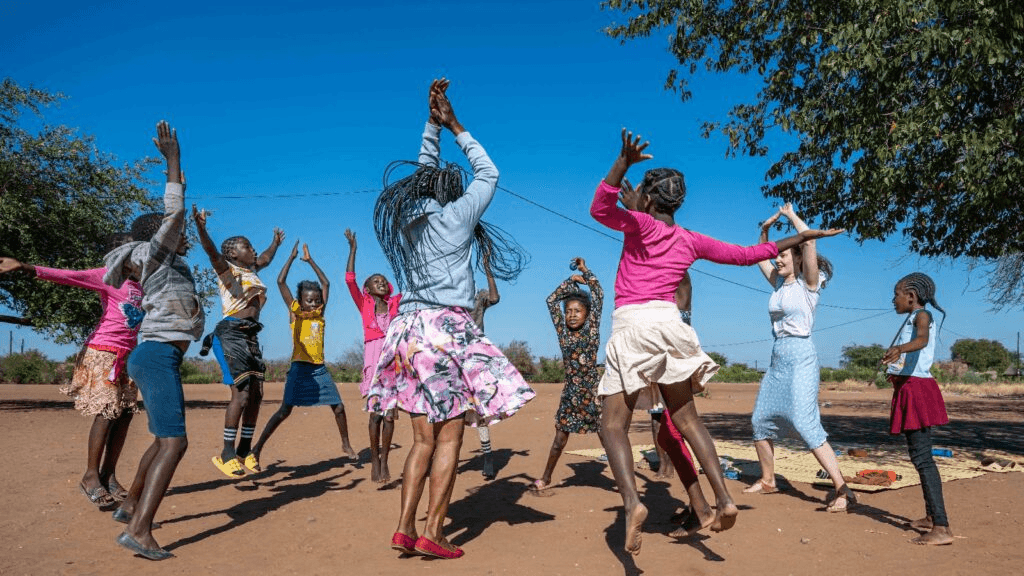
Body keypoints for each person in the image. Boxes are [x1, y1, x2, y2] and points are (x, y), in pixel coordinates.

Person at [590, 128, 843, 555]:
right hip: (671, 326)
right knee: (687, 419)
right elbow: (747, 255)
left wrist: (622, 163)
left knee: (612, 424)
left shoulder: (636, 225)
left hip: (632, 324)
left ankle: (633, 502)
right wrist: (802, 237)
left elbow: (600, 207)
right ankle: (724, 498)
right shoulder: (691, 240)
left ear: (647, 201)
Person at [367, 79, 534, 559]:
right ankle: (434, 532)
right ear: (451, 190)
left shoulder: (409, 217)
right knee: (451, 435)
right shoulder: (459, 216)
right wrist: (454, 123)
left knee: (421, 436)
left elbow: (423, 171)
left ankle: (404, 525)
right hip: (445, 330)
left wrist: (429, 125)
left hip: (407, 331)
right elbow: (490, 172)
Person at [103, 120, 205, 560]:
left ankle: (130, 507)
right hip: (156, 355)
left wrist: (183, 180)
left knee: (163, 437)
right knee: (175, 442)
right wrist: (173, 163)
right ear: (159, 237)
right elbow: (173, 215)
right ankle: (140, 531)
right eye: (176, 232)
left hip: (159, 356)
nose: (184, 236)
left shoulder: (173, 265)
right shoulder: (156, 257)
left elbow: (180, 220)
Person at [0, 225, 153, 509]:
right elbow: (69, 276)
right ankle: (90, 476)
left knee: (125, 415)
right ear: (119, 257)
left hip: (128, 356)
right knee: (107, 412)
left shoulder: (143, 285)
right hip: (103, 352)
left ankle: (109, 474)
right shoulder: (106, 277)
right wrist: (24, 267)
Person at [744, 203, 854, 513]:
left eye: (783, 255)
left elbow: (808, 241)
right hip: (778, 356)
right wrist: (764, 230)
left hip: (802, 355)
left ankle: (841, 489)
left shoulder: (809, 285)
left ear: (797, 260)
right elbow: (758, 253)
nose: (777, 257)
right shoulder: (778, 284)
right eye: (777, 254)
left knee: (806, 424)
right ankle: (768, 480)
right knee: (760, 421)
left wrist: (791, 216)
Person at [192, 205, 284, 477]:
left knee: (256, 394)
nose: (252, 250)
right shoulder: (226, 269)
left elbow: (265, 259)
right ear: (232, 253)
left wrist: (274, 244)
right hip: (231, 333)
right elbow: (211, 252)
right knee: (241, 394)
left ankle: (245, 449)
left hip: (250, 333)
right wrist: (201, 228)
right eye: (247, 246)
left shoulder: (252, 270)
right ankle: (226, 452)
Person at [250, 242, 356, 464]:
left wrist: (310, 261)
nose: (315, 303)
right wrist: (290, 257)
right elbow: (280, 282)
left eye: (318, 300)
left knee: (338, 407)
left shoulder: (319, 316)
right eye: (310, 300)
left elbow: (326, 283)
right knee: (284, 411)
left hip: (320, 369)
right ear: (300, 302)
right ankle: (257, 448)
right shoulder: (295, 314)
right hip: (299, 369)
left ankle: (345, 443)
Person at [881, 272, 953, 545]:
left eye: (896, 294)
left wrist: (900, 349)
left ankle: (942, 527)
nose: (893, 300)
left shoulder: (923, 316)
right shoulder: (912, 318)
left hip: (918, 390)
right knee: (919, 456)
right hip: (910, 387)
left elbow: (921, 340)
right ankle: (932, 517)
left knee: (923, 458)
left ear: (910, 297)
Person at [531, 256, 603, 492]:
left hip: (594, 394)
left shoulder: (592, 329)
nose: (572, 315)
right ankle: (547, 478)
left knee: (608, 439)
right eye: (569, 311)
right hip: (571, 395)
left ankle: (624, 484)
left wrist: (586, 272)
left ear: (587, 314)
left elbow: (599, 295)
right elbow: (551, 301)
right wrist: (570, 282)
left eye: (578, 311)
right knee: (559, 440)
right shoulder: (563, 333)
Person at [344, 228, 402, 484]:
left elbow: (413, 289)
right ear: (367, 289)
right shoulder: (364, 304)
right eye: (374, 280)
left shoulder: (395, 303)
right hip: (372, 364)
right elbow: (348, 280)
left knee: (389, 416)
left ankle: (386, 460)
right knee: (375, 415)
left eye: (383, 280)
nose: (380, 282)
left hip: (392, 364)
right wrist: (353, 249)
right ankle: (375, 459)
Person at [467, 245, 501, 480]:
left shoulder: (478, 296)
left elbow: (495, 298)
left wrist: (488, 268)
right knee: (453, 411)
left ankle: (487, 457)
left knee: (480, 409)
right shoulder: (449, 301)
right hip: (453, 360)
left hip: (476, 359)